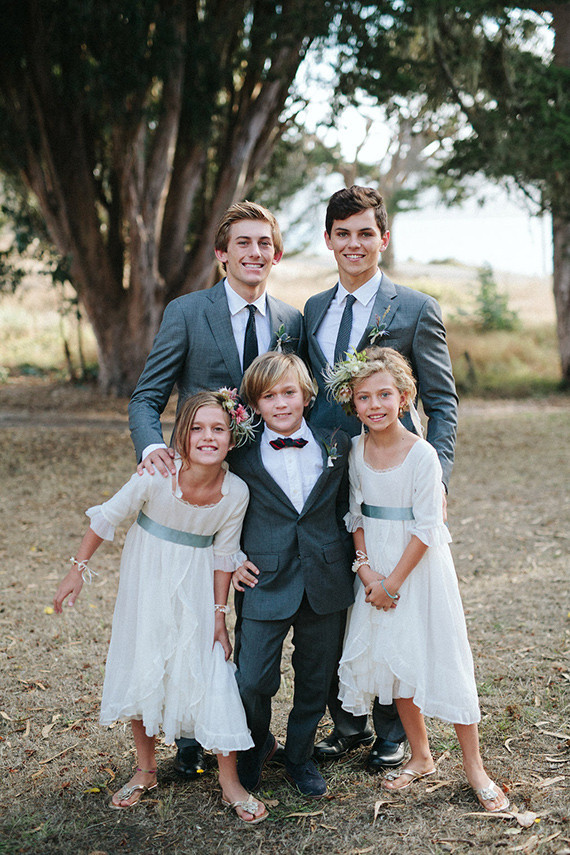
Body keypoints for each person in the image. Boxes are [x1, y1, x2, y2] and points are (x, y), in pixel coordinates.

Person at [128, 200, 304, 778]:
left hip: (272, 494)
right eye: (243, 244)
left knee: (252, 612)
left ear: (274, 254)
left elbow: (293, 402)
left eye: (264, 244)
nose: (255, 254)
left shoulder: (290, 320)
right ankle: (188, 734)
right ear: (222, 254)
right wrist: (154, 447)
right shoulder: (187, 311)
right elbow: (147, 396)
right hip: (204, 490)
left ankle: (249, 734)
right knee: (194, 614)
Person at [53, 391, 268, 824]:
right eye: (197, 428)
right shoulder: (158, 474)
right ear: (182, 434)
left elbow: (225, 558)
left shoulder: (236, 492)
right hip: (147, 578)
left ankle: (230, 781)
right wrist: (77, 569)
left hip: (196, 581)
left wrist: (218, 617)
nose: (207, 437)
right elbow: (108, 517)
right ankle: (146, 770)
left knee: (211, 668)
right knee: (144, 664)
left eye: (218, 429)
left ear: (233, 437)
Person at [304, 185, 458, 772]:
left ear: (382, 238)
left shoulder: (415, 308)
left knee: (398, 595)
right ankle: (347, 722)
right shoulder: (314, 308)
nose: (354, 243)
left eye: (365, 232)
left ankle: (394, 729)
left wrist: (436, 477)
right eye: (342, 233)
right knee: (342, 593)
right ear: (328, 240)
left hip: (395, 476)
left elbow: (443, 401)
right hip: (330, 480)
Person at [326, 346, 509, 813]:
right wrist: (366, 571)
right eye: (364, 398)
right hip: (375, 568)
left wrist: (393, 583)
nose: (375, 405)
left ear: (404, 397)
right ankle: (422, 755)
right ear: (353, 404)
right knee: (396, 659)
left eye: (384, 394)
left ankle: (474, 766)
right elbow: (356, 514)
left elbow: (428, 527)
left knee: (443, 655)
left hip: (417, 568)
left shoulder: (422, 455)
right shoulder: (355, 449)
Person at [229, 352, 354, 797]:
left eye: (289, 392)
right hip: (263, 579)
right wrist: (228, 557)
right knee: (252, 677)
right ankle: (255, 747)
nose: (281, 403)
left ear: (306, 395)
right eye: (269, 396)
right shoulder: (238, 455)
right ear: (255, 405)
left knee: (315, 678)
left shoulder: (337, 443)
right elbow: (218, 509)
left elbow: (346, 509)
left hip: (325, 579)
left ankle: (300, 757)